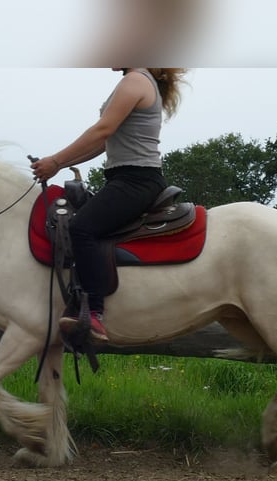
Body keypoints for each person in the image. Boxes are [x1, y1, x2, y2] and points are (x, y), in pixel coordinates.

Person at [31, 68, 188, 343]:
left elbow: (103, 129)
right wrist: (59, 164)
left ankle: (94, 313)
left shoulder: (135, 80)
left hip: (135, 180)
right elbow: (104, 141)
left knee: (81, 228)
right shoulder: (134, 81)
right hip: (125, 178)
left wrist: (55, 162)